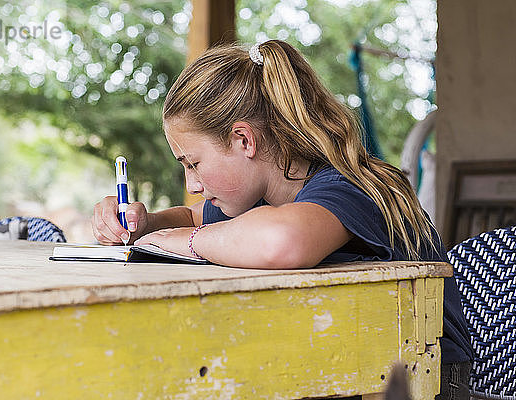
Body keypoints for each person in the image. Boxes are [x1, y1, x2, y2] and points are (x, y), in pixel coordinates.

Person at [92, 40, 473, 398]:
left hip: (424, 382)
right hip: (353, 370)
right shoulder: (260, 198)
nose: (192, 183)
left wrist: (178, 242)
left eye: (194, 163)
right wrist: (146, 223)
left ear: (244, 140)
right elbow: (192, 216)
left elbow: (282, 242)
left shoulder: (349, 184)